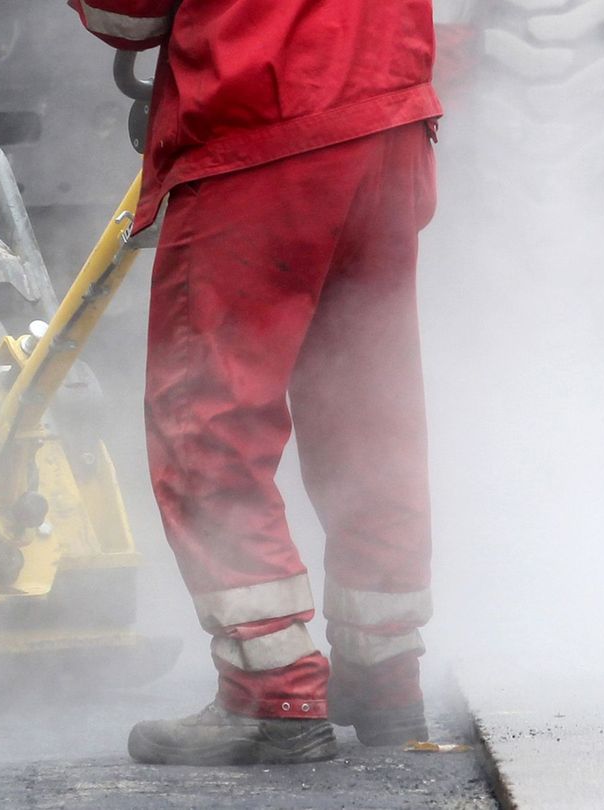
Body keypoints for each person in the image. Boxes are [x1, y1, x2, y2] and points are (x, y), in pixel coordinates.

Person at [68, 0, 442, 765]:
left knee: (206, 415)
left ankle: (274, 691)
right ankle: (384, 670)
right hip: (389, 120)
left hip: (264, 119)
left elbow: (127, 16)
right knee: (367, 409)